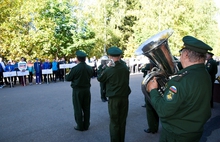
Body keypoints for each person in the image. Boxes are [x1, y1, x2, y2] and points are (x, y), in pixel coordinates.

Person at [147, 36, 212, 142]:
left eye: (181, 53)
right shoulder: (204, 74)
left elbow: (164, 111)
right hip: (195, 130)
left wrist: (153, 90)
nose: (179, 56)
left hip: (176, 134)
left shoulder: (179, 81)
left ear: (186, 55)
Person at [97, 46, 131, 142]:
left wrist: (106, 67)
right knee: (122, 121)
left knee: (114, 122)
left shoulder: (109, 69)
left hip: (114, 98)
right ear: (120, 56)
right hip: (124, 97)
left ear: (110, 57)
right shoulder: (125, 67)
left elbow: (100, 78)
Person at [65, 50, 93, 131]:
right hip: (87, 90)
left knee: (78, 108)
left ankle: (80, 125)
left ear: (77, 59)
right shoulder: (89, 68)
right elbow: (91, 74)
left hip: (77, 90)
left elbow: (68, 78)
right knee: (86, 108)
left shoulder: (75, 68)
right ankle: (86, 124)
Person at [141, 61, 159, 134]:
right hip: (159, 87)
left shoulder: (150, 64)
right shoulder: (160, 64)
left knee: (150, 110)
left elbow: (143, 69)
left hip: (151, 87)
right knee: (156, 109)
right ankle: (155, 126)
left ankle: (152, 128)